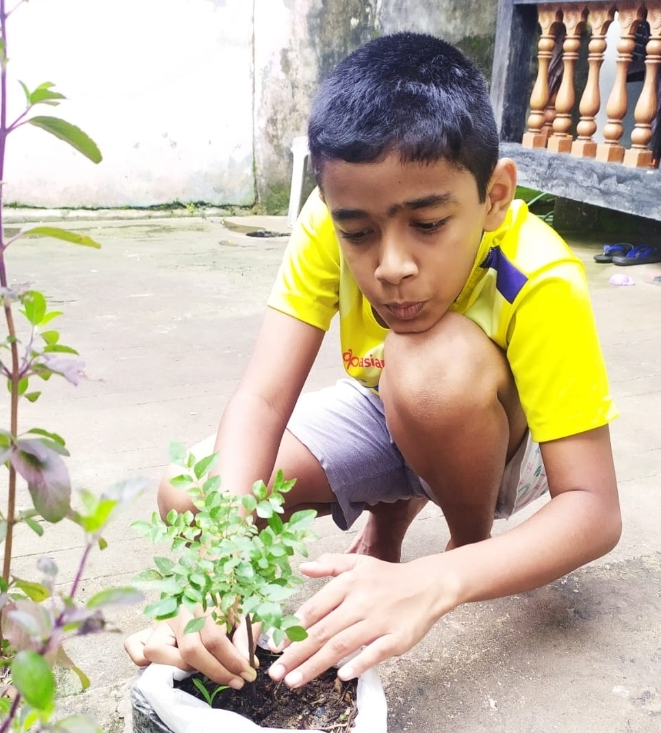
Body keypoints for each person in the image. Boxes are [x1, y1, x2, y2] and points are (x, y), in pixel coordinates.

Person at [125, 32, 621, 690]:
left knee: (426, 368)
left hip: (507, 438)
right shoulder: (327, 223)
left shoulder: (541, 277)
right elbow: (262, 399)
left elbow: (593, 508)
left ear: (495, 195)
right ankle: (393, 510)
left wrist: (433, 581)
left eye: (428, 223)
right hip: (386, 402)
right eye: (358, 233)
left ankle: (468, 547)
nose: (391, 266)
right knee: (190, 494)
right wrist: (218, 568)